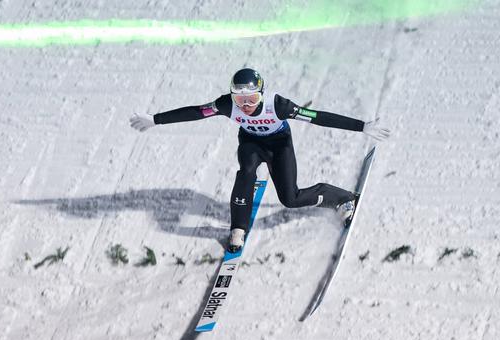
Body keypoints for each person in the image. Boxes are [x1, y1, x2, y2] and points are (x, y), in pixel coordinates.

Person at [129, 68, 390, 253]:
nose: (245, 106)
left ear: (261, 94)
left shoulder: (279, 106)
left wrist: (361, 126)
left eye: (251, 99)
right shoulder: (225, 105)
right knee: (247, 170)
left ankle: (342, 198)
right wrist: (156, 119)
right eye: (240, 100)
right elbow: (196, 112)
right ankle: (238, 228)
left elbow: (318, 117)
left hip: (279, 145)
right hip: (251, 144)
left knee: (290, 198)